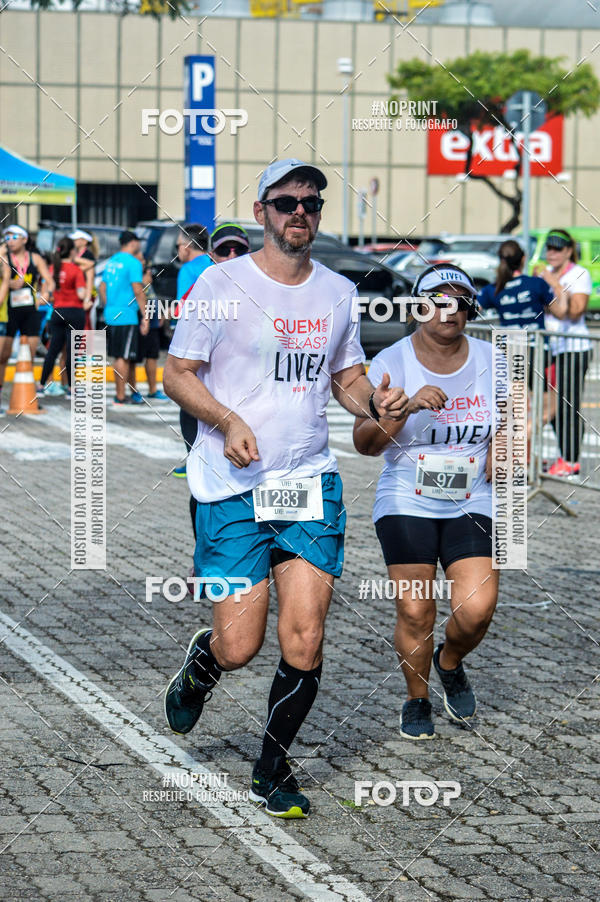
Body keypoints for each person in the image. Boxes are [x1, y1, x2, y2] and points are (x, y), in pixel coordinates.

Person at [162, 158, 407, 817]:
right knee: (240, 645)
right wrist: (226, 419)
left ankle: (273, 768)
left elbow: (346, 375)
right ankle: (204, 667)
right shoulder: (219, 283)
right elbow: (177, 373)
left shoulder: (336, 290)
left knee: (303, 638)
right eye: (287, 201)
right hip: (230, 486)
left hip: (307, 483)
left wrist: (372, 405)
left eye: (311, 202)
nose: (300, 211)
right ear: (264, 209)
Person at [353, 264, 500, 741]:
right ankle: (416, 699)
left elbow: (516, 419)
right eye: (439, 298)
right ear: (419, 306)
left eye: (460, 300)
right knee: (417, 611)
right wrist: (404, 408)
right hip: (406, 497)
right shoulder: (391, 363)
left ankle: (449, 661)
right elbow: (365, 443)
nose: (449, 309)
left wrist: (505, 446)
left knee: (477, 609)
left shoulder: (492, 359)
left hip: (471, 496)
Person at [478, 239, 568, 442]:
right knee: (551, 405)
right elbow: (561, 312)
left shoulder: (493, 289)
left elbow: (473, 311)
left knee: (516, 407)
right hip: (538, 351)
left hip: (509, 352)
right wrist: (556, 286)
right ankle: (522, 438)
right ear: (523, 259)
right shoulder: (536, 284)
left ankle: (518, 455)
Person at [539, 229, 593, 477]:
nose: (551, 252)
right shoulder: (542, 272)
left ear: (569, 251)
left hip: (573, 348)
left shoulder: (579, 274)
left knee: (568, 405)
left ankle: (571, 460)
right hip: (549, 348)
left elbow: (575, 312)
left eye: (557, 248)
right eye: (548, 247)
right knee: (549, 405)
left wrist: (553, 284)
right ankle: (562, 455)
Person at [172, 224, 214, 477]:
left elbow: (184, 310)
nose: (178, 250)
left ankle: (194, 459)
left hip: (193, 347)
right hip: (219, 345)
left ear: (187, 246)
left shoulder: (187, 270)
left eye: (179, 245)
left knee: (188, 402)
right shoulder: (216, 265)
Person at [98, 230, 149, 406]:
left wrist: (109, 306)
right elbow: (138, 290)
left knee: (124, 356)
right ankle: (120, 396)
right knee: (123, 357)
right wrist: (146, 315)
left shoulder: (111, 261)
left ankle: (131, 392)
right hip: (127, 315)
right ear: (133, 243)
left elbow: (102, 288)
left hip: (111, 314)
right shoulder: (133, 263)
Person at [38, 237, 90, 398]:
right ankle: (72, 388)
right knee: (72, 352)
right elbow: (81, 294)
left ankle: (41, 385)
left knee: (53, 350)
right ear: (73, 252)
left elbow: (45, 294)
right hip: (75, 312)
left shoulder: (52, 268)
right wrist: (87, 294)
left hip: (57, 312)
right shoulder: (76, 270)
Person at [0, 225, 55, 365]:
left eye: (14, 237)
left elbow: (49, 281)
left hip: (30, 309)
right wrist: (11, 283)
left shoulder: (34, 258)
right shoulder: (4, 259)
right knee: (3, 355)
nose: (10, 241)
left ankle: (30, 385)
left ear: (24, 240)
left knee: (29, 353)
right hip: (9, 310)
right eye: (7, 238)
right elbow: (4, 281)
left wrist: (45, 295)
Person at [128, 255, 168, 403]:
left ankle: (152, 390)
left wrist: (160, 314)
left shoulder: (147, 281)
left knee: (152, 357)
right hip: (140, 323)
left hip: (153, 325)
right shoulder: (137, 281)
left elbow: (153, 299)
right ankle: (133, 391)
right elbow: (139, 298)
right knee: (133, 358)